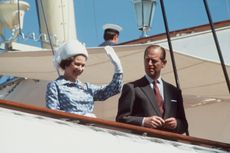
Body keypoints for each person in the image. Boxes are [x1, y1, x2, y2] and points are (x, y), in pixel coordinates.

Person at [116, 44, 188, 134]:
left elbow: (184, 125)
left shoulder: (174, 91)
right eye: (147, 60)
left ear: (163, 63)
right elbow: (121, 119)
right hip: (143, 143)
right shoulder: (132, 88)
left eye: (153, 61)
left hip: (169, 144)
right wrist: (144, 121)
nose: (149, 64)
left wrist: (176, 124)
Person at [46, 40, 123, 117]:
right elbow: (53, 113)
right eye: (77, 64)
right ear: (66, 63)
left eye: (83, 65)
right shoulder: (55, 86)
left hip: (89, 127)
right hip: (68, 127)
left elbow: (113, 90)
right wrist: (82, 116)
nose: (80, 68)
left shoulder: (87, 88)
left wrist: (118, 68)